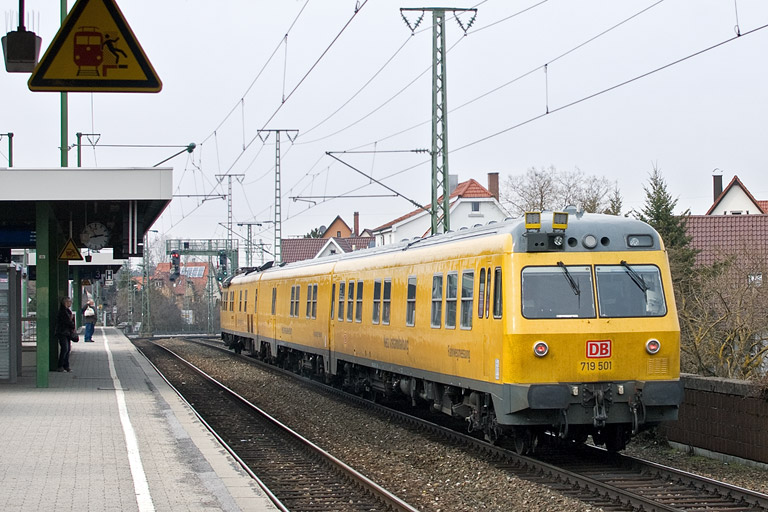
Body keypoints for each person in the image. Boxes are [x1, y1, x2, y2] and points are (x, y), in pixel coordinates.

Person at [54, 296, 76, 372]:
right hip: (62, 332)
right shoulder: (63, 312)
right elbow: (68, 322)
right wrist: (72, 323)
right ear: (65, 302)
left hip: (66, 333)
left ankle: (66, 366)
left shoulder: (67, 311)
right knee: (65, 349)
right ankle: (60, 365)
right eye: (69, 302)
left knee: (67, 349)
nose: (70, 303)